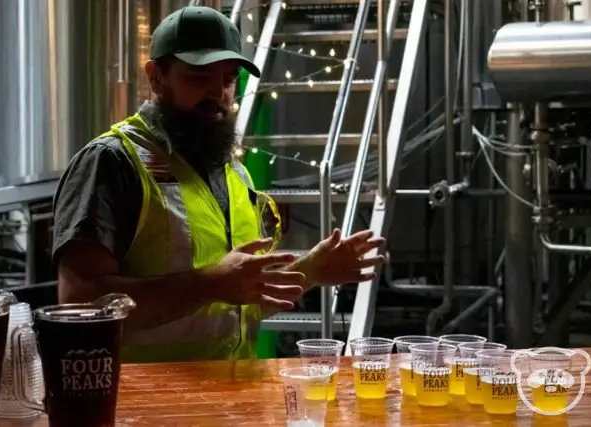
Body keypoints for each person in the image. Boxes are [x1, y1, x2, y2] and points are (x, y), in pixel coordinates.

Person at [52, 5, 385, 363]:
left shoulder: (232, 173)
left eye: (228, 79)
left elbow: (237, 299)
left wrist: (310, 270)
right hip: (145, 406)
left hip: (233, 399)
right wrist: (208, 285)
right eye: (199, 77)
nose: (218, 94)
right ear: (155, 76)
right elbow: (79, 306)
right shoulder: (113, 162)